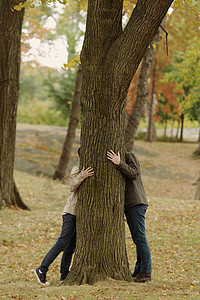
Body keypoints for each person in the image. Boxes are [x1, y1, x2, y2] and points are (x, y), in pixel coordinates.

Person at [34, 148, 94, 286]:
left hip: (78, 215)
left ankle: (64, 275)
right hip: (70, 213)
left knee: (70, 247)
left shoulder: (86, 168)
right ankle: (41, 269)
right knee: (62, 242)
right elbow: (72, 186)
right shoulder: (77, 169)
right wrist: (82, 176)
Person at [107, 149, 152, 283]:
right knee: (137, 239)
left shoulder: (129, 155)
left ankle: (146, 273)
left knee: (140, 238)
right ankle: (139, 270)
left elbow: (134, 173)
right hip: (131, 205)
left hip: (136, 203)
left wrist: (119, 162)